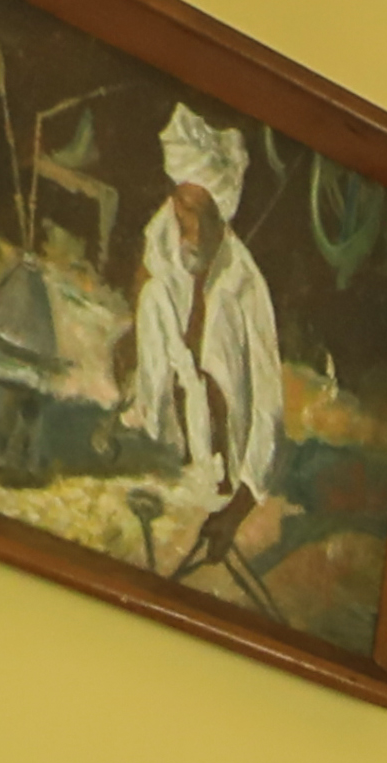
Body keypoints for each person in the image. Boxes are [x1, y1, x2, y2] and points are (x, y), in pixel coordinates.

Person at [125, 102, 284, 589]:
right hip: (165, 448)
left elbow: (270, 413)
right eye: (179, 209)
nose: (182, 226)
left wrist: (237, 511)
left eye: (194, 215)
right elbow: (148, 282)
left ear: (220, 219)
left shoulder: (245, 290)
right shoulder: (165, 238)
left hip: (219, 469)